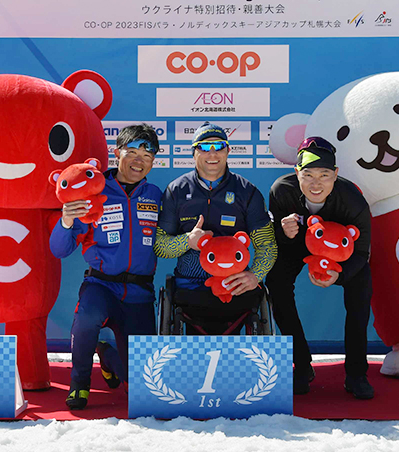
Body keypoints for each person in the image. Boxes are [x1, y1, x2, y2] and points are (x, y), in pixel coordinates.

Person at [49, 123, 162, 410]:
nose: (139, 161)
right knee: (87, 319)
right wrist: (66, 221)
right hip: (101, 284)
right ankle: (79, 385)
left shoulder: (156, 196)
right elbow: (60, 249)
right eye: (132, 152)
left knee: (139, 384)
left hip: (139, 293)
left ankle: (108, 357)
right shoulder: (91, 190)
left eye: (146, 156)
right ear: (117, 153)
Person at [266, 136, 374, 398]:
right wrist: (282, 231)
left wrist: (340, 275)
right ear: (296, 173)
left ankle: (356, 374)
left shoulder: (353, 201)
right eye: (309, 175)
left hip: (342, 248)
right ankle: (302, 366)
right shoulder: (281, 190)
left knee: (360, 292)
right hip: (299, 244)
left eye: (325, 175)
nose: (316, 183)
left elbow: (361, 254)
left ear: (336, 174)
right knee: (277, 284)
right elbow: (272, 238)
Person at [154, 121, 277, 333]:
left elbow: (267, 245)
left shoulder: (247, 191)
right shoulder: (176, 190)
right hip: (190, 288)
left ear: (228, 151)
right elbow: (160, 246)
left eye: (218, 146)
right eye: (204, 147)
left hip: (235, 286)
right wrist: (188, 241)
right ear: (194, 153)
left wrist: (255, 275)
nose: (212, 154)